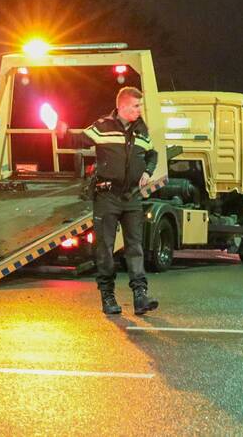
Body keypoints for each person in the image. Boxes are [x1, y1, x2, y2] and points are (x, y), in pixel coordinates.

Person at [57, 87, 160, 316]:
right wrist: (61, 130)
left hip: (132, 197)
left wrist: (148, 171)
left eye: (140, 106)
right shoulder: (103, 127)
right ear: (122, 107)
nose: (139, 110)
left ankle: (140, 296)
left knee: (135, 247)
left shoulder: (141, 129)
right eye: (136, 106)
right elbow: (79, 139)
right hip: (107, 197)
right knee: (105, 248)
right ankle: (108, 297)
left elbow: (152, 153)